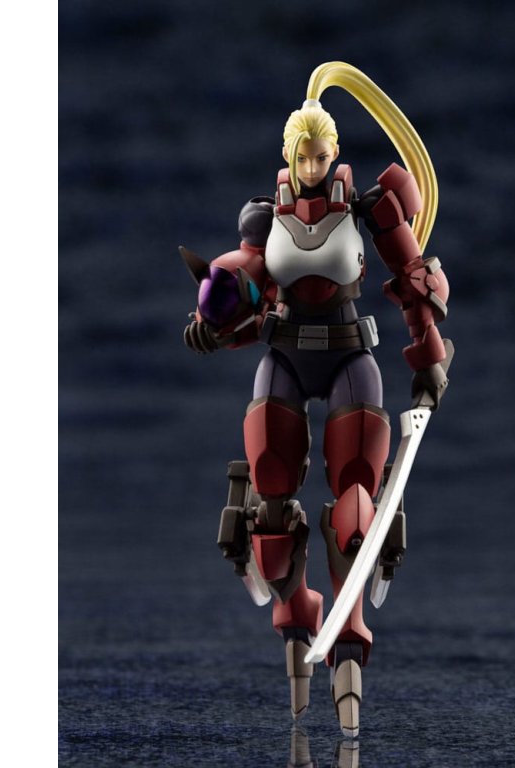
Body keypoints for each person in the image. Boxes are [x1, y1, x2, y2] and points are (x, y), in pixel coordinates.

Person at [181, 61, 450, 737]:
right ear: (287, 156)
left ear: (334, 154)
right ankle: (296, 614)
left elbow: (413, 277)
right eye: (301, 156)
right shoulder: (262, 215)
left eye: (320, 155)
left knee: (355, 506)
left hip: (350, 359)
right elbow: (244, 273)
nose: (310, 166)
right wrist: (215, 309)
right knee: (270, 509)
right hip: (283, 359)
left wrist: (429, 357)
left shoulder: (369, 209)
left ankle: (348, 638)